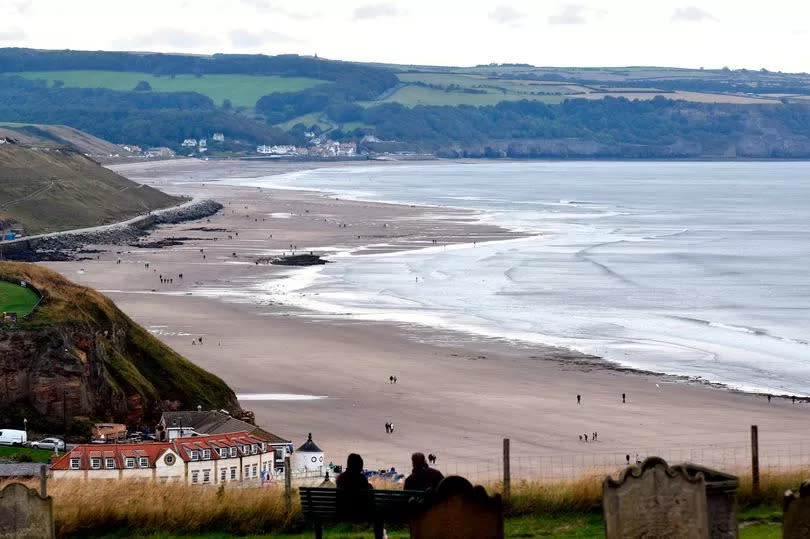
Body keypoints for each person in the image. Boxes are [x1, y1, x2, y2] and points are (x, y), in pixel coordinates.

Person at [336, 453, 372, 519]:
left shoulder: (341, 478)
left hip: (343, 511)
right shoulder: (362, 478)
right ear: (359, 466)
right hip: (359, 512)